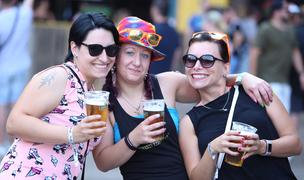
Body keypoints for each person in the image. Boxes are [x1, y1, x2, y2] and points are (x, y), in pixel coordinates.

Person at [92, 16, 273, 180]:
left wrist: (243, 77)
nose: (137, 62)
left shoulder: (167, 83)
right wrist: (133, 139)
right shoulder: (103, 104)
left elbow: (209, 82)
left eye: (145, 55)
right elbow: (103, 163)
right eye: (130, 52)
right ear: (116, 56)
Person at [0, 12, 120, 179]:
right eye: (95, 49)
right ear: (75, 48)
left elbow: (104, 160)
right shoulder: (60, 77)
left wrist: (136, 137)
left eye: (111, 50)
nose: (104, 58)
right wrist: (72, 134)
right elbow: (14, 123)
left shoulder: (94, 95)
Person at [179, 31, 302, 180]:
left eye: (207, 60)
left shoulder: (257, 91)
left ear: (226, 67)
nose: (197, 66)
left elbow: (295, 144)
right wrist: (212, 148)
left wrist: (262, 147)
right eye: (190, 59)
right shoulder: (189, 122)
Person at [0, 0, 34, 155]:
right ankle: (14, 143)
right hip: (21, 66)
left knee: (0, 105)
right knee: (16, 105)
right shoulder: (25, 14)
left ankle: (0, 143)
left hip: (1, 69)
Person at [249, 0, 304, 114]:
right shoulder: (265, 28)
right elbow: (254, 53)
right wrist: (253, 78)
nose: (288, 12)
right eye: (285, 10)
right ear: (276, 12)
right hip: (268, 81)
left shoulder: (290, 30)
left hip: (284, 82)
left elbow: (295, 52)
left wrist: (301, 73)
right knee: (273, 117)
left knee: (284, 115)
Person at [149, 0, 181, 74]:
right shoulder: (174, 31)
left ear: (155, 10)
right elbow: (177, 53)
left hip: (152, 77)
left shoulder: (153, 31)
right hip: (167, 75)